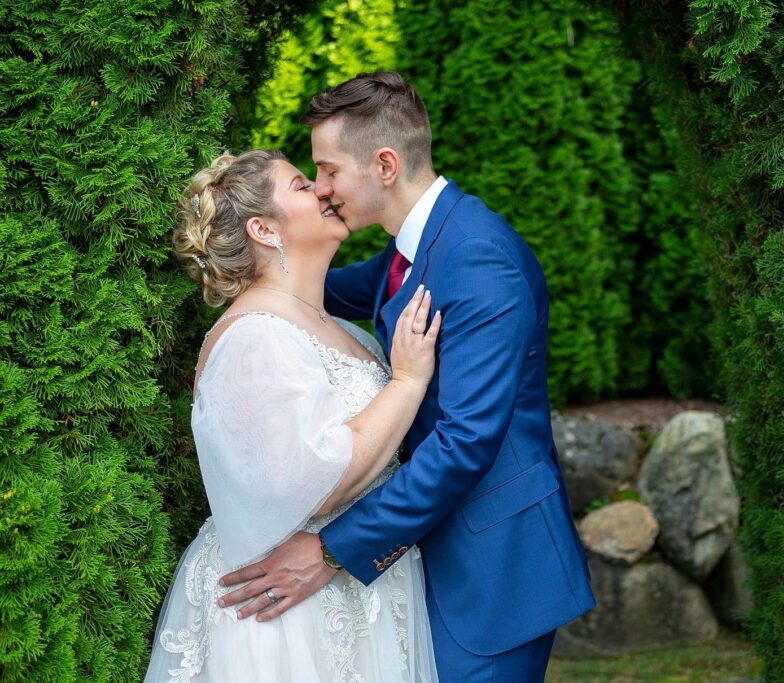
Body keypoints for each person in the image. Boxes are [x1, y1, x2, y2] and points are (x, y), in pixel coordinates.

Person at [218, 72, 595, 681]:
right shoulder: (412, 245)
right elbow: (319, 290)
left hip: (494, 572)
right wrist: (250, 274)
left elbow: (465, 442)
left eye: (330, 170)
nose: (321, 189)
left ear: (384, 165)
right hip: (436, 554)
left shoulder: (478, 259)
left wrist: (332, 550)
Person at [145, 149, 440, 682]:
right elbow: (311, 483)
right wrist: (408, 381)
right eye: (303, 186)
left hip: (356, 590)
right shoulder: (254, 338)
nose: (324, 191)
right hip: (285, 612)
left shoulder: (347, 332)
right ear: (264, 228)